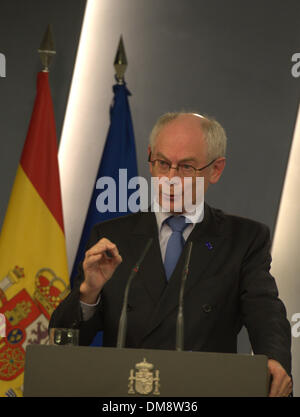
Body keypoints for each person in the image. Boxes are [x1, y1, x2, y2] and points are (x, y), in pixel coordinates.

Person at [50, 112, 292, 397]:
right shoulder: (112, 238)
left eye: (187, 168)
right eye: (163, 163)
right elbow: (64, 343)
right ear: (150, 159)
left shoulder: (243, 239)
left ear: (215, 170)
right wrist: (89, 293)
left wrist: (273, 357)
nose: (171, 178)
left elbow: (265, 310)